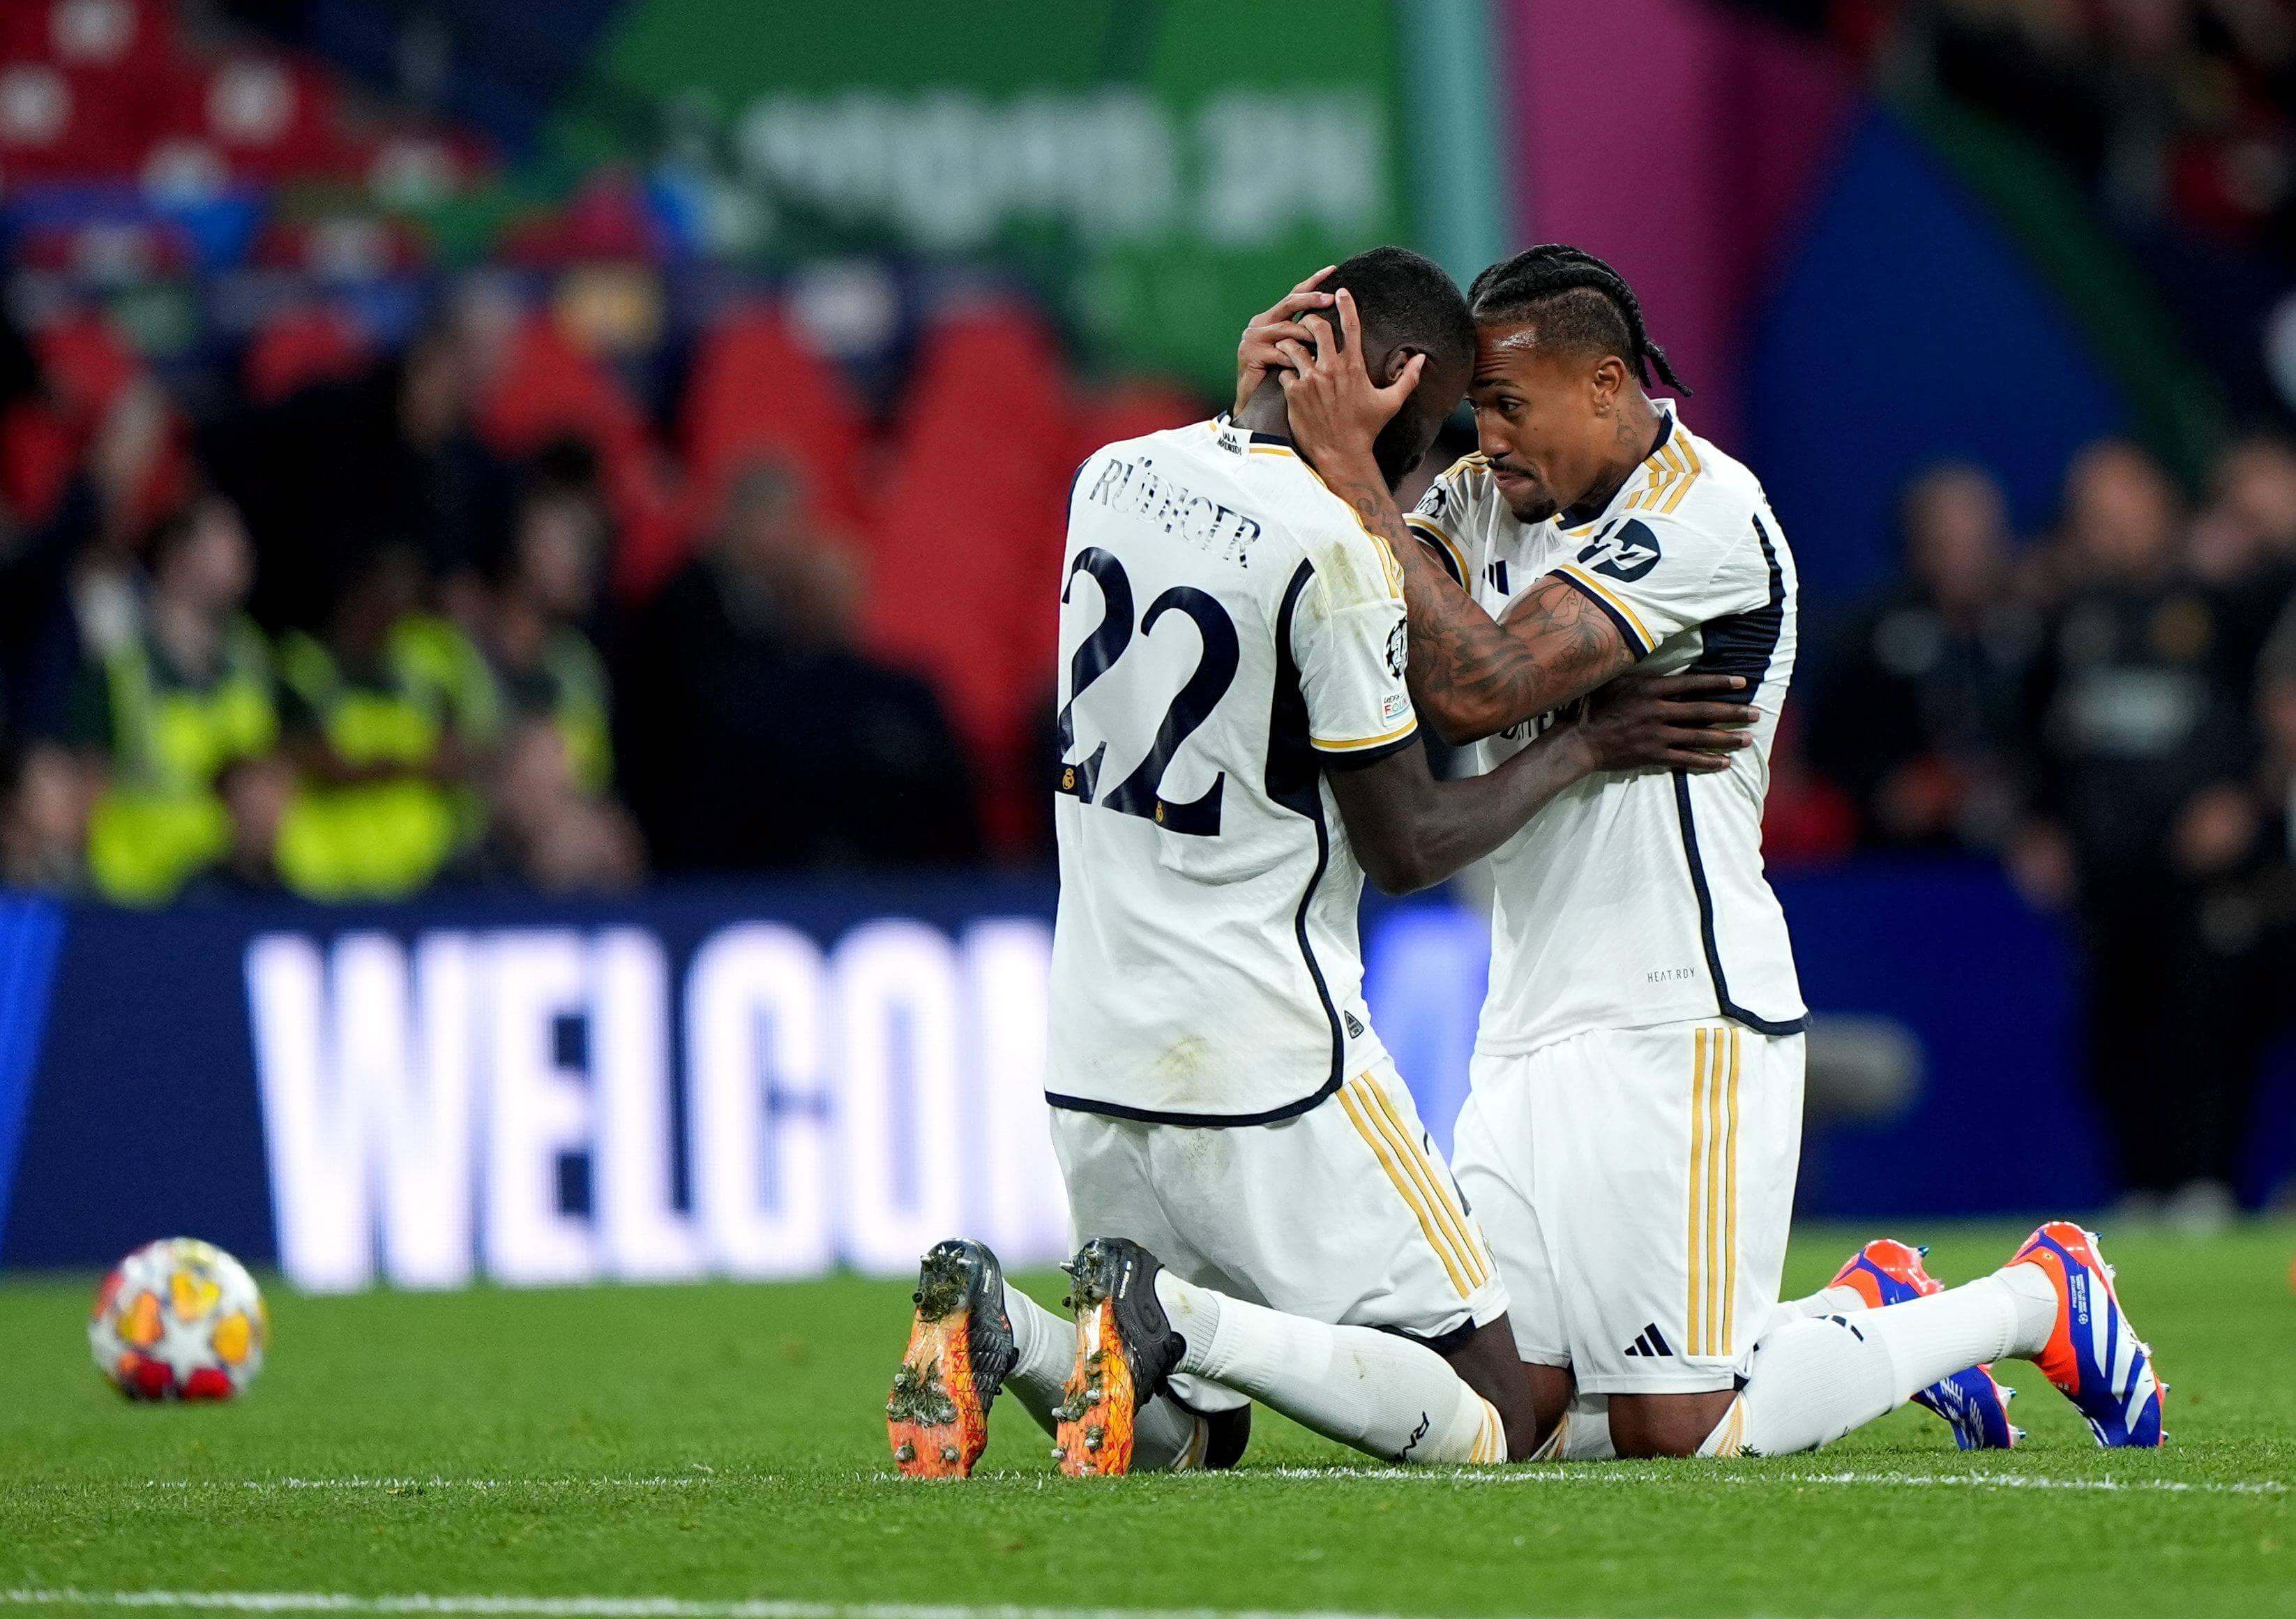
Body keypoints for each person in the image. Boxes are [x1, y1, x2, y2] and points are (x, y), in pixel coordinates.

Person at [1254, 244, 2163, 1459]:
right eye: (1477, 408)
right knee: (1499, 1419)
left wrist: (1357, 485)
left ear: (1608, 385)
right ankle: (1856, 1315)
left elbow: (1476, 682)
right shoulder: (1482, 493)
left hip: (1677, 1012)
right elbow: (1396, 611)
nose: (1489, 436)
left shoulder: (1706, 515)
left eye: (1512, 405)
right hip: (1524, 1018)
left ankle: (2034, 1298)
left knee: (1679, 1432)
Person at [883, 248, 1762, 1479]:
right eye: (1451, 410)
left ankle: (1012, 1324)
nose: (1459, 447)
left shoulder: (1109, 475)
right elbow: (1409, 844)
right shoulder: (1333, 552)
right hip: (1268, 1058)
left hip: (1090, 1055)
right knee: (1506, 1419)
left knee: (1182, 1434)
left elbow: (1231, 511)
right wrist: (1584, 745)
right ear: (1393, 389)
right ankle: (1171, 1312)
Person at [2015, 441, 2265, 1230]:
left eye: (2123, 508)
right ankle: (2136, 1187)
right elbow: (2032, 734)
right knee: (2109, 1031)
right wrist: (2038, 825)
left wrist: (2243, 799)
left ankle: (2200, 1183)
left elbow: (2263, 718)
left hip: (2199, 860)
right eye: (2094, 514)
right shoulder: (2066, 616)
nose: (2111, 528)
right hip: (2103, 861)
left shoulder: (2221, 606)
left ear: (2162, 508)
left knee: (2200, 1019)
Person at [617, 461, 980, 872]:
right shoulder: (688, 614)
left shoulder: (896, 688)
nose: (792, 540)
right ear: (739, 521)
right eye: (780, 521)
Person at [1807, 463, 2041, 851]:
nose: (1962, 557)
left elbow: (2061, 740)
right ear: (1915, 542)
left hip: (2020, 857)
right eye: (1945, 541)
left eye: (1975, 540)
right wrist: (1888, 787)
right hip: (1894, 862)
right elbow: (1828, 751)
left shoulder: (2036, 633)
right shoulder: (1866, 640)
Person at [66, 495, 279, 905]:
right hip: (141, 894)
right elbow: (88, 794)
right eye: (224, 541)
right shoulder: (119, 671)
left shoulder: (253, 660)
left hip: (235, 886)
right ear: (178, 556)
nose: (242, 554)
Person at [273, 543, 497, 901]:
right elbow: (322, 763)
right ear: (358, 589)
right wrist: (412, 768)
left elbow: (458, 755)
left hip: (425, 874)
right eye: (388, 590)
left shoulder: (426, 664)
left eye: (408, 594)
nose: (399, 605)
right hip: (328, 877)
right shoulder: (305, 665)